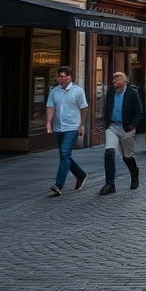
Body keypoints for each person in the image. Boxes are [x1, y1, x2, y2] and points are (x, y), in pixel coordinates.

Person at [45, 65, 89, 196]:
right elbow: (50, 107)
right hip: (58, 127)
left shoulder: (77, 91)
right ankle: (80, 174)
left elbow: (84, 108)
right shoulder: (54, 91)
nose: (62, 79)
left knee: (64, 153)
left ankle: (58, 185)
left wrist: (81, 124)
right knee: (65, 155)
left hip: (72, 127)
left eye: (65, 76)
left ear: (70, 77)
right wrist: (48, 122)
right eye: (60, 76)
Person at [99, 71, 144, 195]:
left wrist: (132, 125)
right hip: (112, 126)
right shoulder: (111, 92)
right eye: (113, 79)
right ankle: (110, 184)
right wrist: (106, 122)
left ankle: (134, 173)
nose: (114, 81)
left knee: (127, 156)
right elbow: (107, 108)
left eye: (117, 79)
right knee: (109, 152)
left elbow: (139, 112)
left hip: (126, 128)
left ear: (124, 81)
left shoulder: (132, 94)